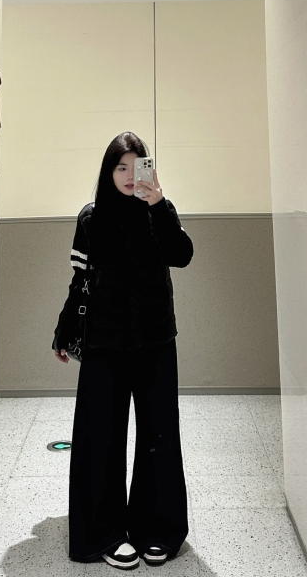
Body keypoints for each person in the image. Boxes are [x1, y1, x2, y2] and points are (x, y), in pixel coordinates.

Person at [52, 131, 194, 570]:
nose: (131, 176)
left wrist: (159, 205)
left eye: (138, 166)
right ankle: (103, 533)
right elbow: (81, 279)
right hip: (103, 343)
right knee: (100, 438)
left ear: (150, 169)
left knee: (159, 436)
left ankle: (158, 528)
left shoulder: (160, 211)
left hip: (155, 340)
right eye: (121, 167)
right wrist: (63, 329)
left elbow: (182, 255)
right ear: (108, 171)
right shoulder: (91, 217)